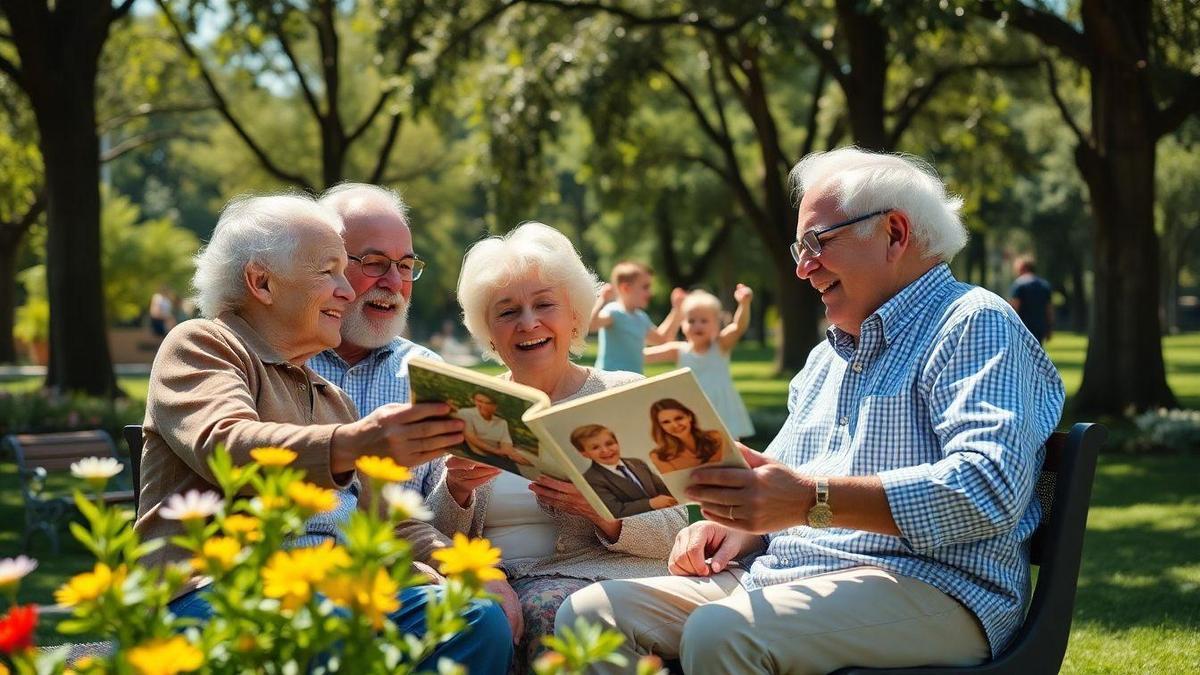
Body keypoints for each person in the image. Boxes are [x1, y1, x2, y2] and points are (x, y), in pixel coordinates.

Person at [557, 147, 1065, 674]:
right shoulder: (827, 357)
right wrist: (738, 527)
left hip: (938, 586)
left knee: (723, 633)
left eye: (818, 243)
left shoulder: (973, 322)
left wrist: (809, 502)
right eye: (800, 247)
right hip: (793, 575)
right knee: (592, 614)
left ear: (894, 233)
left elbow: (988, 488)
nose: (802, 268)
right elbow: (783, 487)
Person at [138, 193, 510, 672]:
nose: (346, 291)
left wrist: (471, 569)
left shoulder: (331, 399)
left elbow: (387, 521)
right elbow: (227, 443)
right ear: (261, 282)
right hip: (218, 592)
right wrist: (357, 442)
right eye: (328, 272)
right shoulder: (204, 344)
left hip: (328, 595)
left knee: (476, 620)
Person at [427, 222, 688, 674]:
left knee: (547, 612)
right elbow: (434, 533)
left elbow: (673, 528)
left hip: (595, 578)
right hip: (495, 583)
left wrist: (605, 509)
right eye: (507, 311)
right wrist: (456, 490)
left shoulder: (622, 393)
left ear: (575, 316)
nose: (528, 323)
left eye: (544, 304)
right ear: (489, 331)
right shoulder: (468, 403)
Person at [307, 182, 523, 647]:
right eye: (374, 263)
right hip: (301, 581)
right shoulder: (283, 361)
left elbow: (425, 523)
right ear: (326, 266)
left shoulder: (429, 375)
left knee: (485, 615)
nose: (393, 283)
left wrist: (461, 495)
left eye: (405, 266)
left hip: (405, 588)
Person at [645, 286, 756, 439]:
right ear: (682, 325)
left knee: (730, 445)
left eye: (704, 321)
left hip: (721, 408)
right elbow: (642, 356)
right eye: (691, 320)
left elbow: (738, 327)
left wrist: (744, 304)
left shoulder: (720, 346)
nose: (697, 325)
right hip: (691, 406)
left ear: (716, 324)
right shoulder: (679, 350)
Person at [589, 261, 685, 374]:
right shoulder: (614, 312)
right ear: (626, 288)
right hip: (609, 381)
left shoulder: (641, 317)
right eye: (645, 287)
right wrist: (602, 300)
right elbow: (591, 325)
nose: (650, 293)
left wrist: (677, 310)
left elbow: (662, 339)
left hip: (633, 380)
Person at [571, 424, 677, 519]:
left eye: (609, 443)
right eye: (595, 448)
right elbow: (615, 511)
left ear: (617, 443)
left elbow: (661, 487)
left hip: (668, 514)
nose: (606, 450)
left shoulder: (637, 463)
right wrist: (650, 503)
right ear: (584, 453)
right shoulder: (591, 479)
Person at [455, 390, 534, 474]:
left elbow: (506, 445)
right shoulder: (466, 413)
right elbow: (472, 438)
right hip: (477, 455)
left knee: (515, 472)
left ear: (495, 406)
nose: (483, 405)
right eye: (479, 401)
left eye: (488, 403)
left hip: (498, 457)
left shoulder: (501, 422)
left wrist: (516, 456)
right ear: (474, 401)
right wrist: (498, 451)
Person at [646, 398, 726, 474]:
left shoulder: (716, 437)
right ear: (660, 427)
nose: (675, 425)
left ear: (689, 417)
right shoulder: (659, 456)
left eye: (679, 418)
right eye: (666, 422)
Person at [1009, 257, 1053, 344]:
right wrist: (1049, 329)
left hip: (1023, 327)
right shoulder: (1044, 285)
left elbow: (1014, 308)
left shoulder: (1019, 284)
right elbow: (1049, 310)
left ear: (1024, 268)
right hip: (1040, 327)